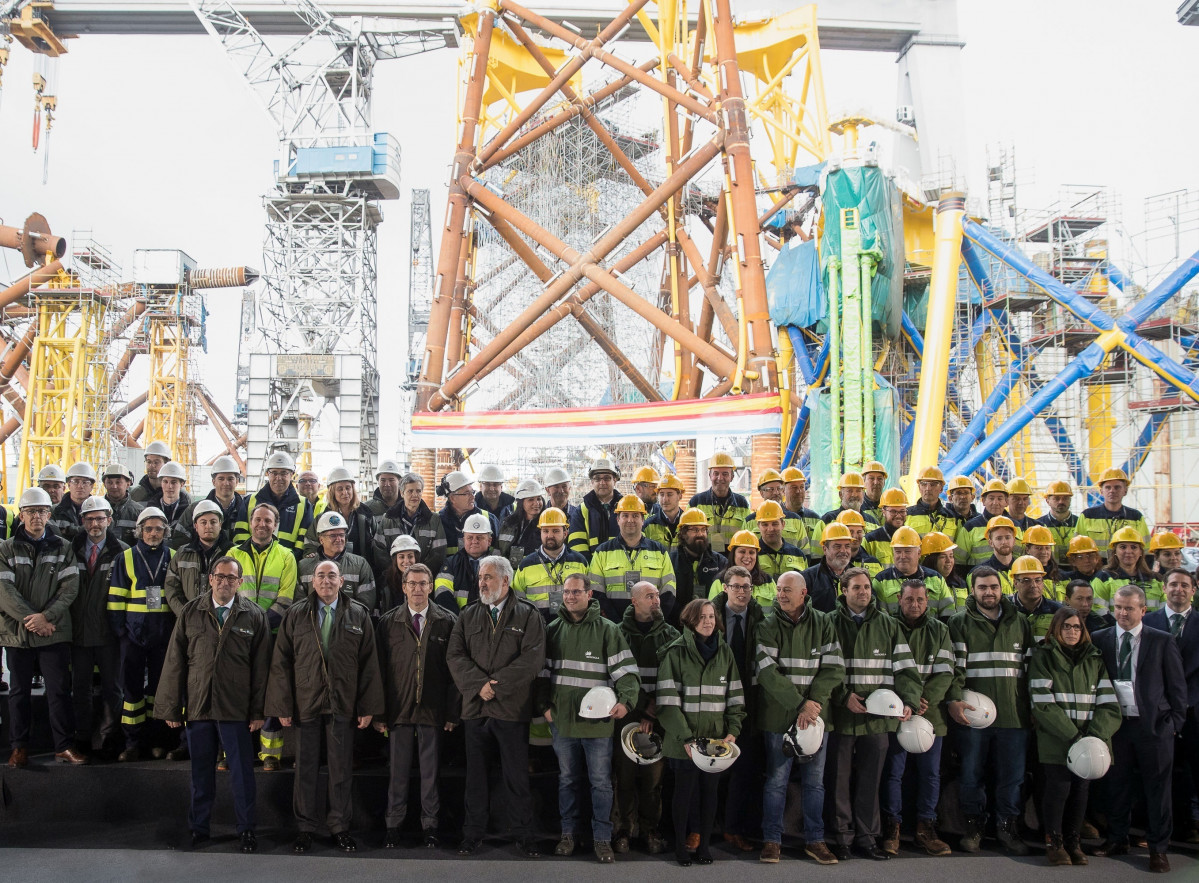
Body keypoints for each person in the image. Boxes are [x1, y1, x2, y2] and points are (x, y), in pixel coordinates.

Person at [266, 559, 385, 854]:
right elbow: (281, 663)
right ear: (312, 581)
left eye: (332, 575)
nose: (326, 581)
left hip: (343, 702)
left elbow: (369, 665)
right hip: (306, 702)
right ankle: (305, 829)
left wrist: (368, 706)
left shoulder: (359, 614)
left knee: (340, 769)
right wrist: (283, 706)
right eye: (321, 575)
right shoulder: (295, 614)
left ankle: (339, 827)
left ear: (341, 581)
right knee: (305, 768)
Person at [155, 556, 271, 853]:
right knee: (201, 773)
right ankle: (199, 828)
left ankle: (246, 829)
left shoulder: (254, 615)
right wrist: (171, 707)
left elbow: (262, 669)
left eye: (231, 578)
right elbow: (175, 661)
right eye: (220, 576)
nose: (224, 582)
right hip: (199, 705)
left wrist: (258, 711)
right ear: (210, 579)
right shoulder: (190, 612)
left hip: (236, 708)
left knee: (242, 774)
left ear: (240, 582)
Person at [446, 555, 546, 858]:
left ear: (505, 580)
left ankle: (524, 835)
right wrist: (480, 685)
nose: (482, 583)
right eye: (480, 577)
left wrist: (496, 687)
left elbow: (532, 659)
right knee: (475, 778)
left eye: (488, 577)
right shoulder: (468, 614)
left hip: (511, 710)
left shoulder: (528, 614)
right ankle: (472, 834)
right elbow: (454, 655)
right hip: (475, 709)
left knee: (516, 778)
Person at [537, 572, 639, 863]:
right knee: (567, 781)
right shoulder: (553, 629)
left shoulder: (608, 630)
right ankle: (568, 835)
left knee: (601, 784)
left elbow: (627, 673)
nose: (570, 597)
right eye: (566, 592)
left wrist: (626, 702)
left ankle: (602, 839)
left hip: (598, 725)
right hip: (563, 723)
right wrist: (544, 707)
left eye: (576, 592)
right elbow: (541, 673)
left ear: (589, 594)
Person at [825, 568, 921, 861]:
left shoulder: (888, 625)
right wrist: (843, 696)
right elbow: (822, 668)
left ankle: (867, 839)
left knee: (871, 781)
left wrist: (909, 701)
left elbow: (905, 668)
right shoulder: (828, 622)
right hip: (842, 716)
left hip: (877, 719)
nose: (863, 592)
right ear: (844, 591)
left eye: (866, 587)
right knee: (838, 781)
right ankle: (841, 838)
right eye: (856, 587)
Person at [1092, 584, 1187, 873]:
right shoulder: (1100, 638)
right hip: (1116, 726)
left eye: (1129, 608)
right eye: (1119, 607)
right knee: (1116, 785)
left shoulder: (1161, 640)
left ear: (1143, 610)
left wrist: (1174, 724)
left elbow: (1177, 687)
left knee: (1157, 790)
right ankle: (1117, 839)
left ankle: (1158, 849)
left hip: (1154, 728)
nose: (1122, 613)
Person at [755, 570, 843, 865]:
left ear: (803, 593)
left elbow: (834, 668)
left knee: (815, 783)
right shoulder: (766, 625)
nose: (781, 594)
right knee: (776, 782)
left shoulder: (824, 623)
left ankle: (815, 840)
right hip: (779, 718)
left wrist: (813, 703)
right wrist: (800, 704)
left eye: (787, 590)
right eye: (779, 589)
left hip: (815, 718)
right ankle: (771, 840)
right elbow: (766, 672)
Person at [946, 566, 1035, 855]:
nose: (989, 592)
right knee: (972, 774)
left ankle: (1008, 828)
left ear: (1002, 588)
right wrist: (953, 700)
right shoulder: (959, 622)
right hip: (973, 716)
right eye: (982, 587)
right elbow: (955, 669)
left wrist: (1032, 707)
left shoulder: (1021, 622)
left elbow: (1031, 670)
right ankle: (973, 827)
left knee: (1013, 777)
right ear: (972, 591)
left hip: (1014, 715)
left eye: (994, 587)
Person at [375, 563, 460, 850]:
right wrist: (380, 712)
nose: (418, 589)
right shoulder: (388, 622)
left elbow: (455, 673)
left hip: (433, 709)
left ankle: (430, 827)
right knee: (397, 773)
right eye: (412, 583)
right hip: (398, 708)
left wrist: (452, 712)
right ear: (403, 587)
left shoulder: (447, 621)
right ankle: (393, 826)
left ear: (431, 587)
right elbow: (380, 671)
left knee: (430, 774)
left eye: (423, 583)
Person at [655, 598, 746, 866]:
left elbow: (735, 696)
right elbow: (667, 702)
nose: (708, 621)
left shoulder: (725, 652)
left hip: (715, 740)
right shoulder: (675, 652)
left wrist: (733, 730)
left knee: (710, 794)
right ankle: (680, 848)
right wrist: (686, 737)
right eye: (702, 617)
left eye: (711, 616)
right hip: (683, 741)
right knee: (683, 795)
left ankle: (704, 846)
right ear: (690, 620)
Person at [1029, 606, 1121, 866]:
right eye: (1066, 626)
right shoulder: (1043, 656)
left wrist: (1094, 737)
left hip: (1090, 741)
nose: (1072, 631)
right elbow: (1042, 702)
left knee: (1081, 791)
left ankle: (1073, 841)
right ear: (1056, 629)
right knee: (1058, 789)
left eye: (1077, 627)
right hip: (1058, 738)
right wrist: (1074, 737)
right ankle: (1054, 842)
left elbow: (1109, 704)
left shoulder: (1095, 658)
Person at [1, 487, 86, 768]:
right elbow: (4, 591)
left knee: (59, 691)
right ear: (21, 515)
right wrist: (34, 619)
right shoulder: (6, 549)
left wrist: (46, 616)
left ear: (49, 515)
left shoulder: (63, 547)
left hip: (53, 630)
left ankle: (63, 746)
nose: (36, 516)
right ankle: (19, 748)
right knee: (18, 693)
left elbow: (70, 588)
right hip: (20, 633)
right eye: (30, 511)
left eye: (41, 511)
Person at [881, 580, 954, 857]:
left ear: (927, 601)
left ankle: (926, 828)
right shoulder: (888, 626)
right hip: (896, 711)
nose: (915, 605)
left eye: (920, 600)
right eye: (909, 599)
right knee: (894, 773)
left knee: (930, 774)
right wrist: (905, 700)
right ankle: (892, 827)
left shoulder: (940, 630)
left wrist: (924, 700)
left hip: (930, 713)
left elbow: (945, 671)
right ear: (899, 599)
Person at [228, 502, 299, 770]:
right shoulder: (233, 553)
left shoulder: (286, 556)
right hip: (238, 635)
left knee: (271, 691)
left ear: (275, 525)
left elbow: (286, 599)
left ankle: (270, 755)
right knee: (237, 691)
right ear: (250, 523)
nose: (262, 524)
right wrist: (245, 627)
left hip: (273, 635)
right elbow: (228, 593)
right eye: (258, 519)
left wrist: (260, 627)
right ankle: (233, 752)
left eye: (268, 521)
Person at [613, 581, 678, 856]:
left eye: (658, 596)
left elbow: (676, 677)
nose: (656, 601)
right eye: (650, 596)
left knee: (653, 780)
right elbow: (614, 676)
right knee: (624, 779)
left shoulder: (672, 634)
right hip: (626, 716)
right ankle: (623, 831)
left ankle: (650, 830)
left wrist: (655, 710)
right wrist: (642, 708)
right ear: (634, 601)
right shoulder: (616, 633)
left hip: (659, 717)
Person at [108, 506, 176, 762]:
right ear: (139, 531)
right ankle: (133, 743)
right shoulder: (125, 558)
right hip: (132, 636)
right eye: (148, 529)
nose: (153, 533)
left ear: (165, 531)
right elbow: (115, 598)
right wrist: (122, 634)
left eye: (159, 529)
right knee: (131, 692)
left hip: (163, 634)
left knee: (159, 690)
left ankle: (157, 741)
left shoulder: (174, 556)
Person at [711, 565, 765, 851]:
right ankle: (701, 830)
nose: (742, 592)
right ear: (725, 588)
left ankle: (733, 829)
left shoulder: (760, 617)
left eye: (746, 587)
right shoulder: (709, 615)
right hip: (712, 703)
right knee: (709, 769)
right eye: (736, 586)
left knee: (743, 771)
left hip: (748, 705)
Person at [70, 496, 127, 758]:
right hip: (79, 632)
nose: (95, 524)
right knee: (80, 688)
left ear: (109, 520)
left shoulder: (122, 552)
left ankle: (108, 739)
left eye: (100, 518)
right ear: (83, 521)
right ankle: (82, 738)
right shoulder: (71, 550)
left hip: (109, 634)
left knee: (113, 689)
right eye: (90, 519)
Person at [1145, 569, 1199, 842]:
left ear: (1194, 590)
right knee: (1158, 773)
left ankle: (1192, 823)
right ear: (1164, 588)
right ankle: (1158, 827)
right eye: (1174, 584)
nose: (1179, 589)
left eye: (1185, 585)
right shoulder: (1147, 622)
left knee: (1194, 770)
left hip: (1195, 710)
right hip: (1157, 710)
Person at [587, 494, 675, 621]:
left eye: (635, 516)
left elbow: (669, 590)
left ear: (643, 520)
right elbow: (596, 591)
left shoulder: (659, 551)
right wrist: (615, 623)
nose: (630, 520)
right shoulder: (602, 552)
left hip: (651, 624)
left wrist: (656, 620)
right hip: (613, 625)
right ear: (618, 520)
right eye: (625, 515)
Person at [511, 507, 588, 622]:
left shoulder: (580, 562)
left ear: (565, 533)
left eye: (555, 531)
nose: (550, 535)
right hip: (536, 626)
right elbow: (517, 601)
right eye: (545, 531)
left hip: (572, 625)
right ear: (540, 533)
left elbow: (589, 597)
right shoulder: (525, 565)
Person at [236, 451, 313, 560]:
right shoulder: (249, 501)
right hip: (253, 562)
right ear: (268, 474)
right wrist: (252, 559)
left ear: (291, 474)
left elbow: (304, 539)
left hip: (288, 563)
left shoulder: (304, 505)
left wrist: (289, 560)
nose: (278, 477)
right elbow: (240, 535)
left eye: (284, 473)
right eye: (274, 473)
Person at [374, 471, 447, 579]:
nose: (415, 495)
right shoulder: (388, 519)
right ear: (402, 493)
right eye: (410, 491)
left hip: (423, 581)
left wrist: (419, 575)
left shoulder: (434, 520)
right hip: (394, 580)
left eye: (418, 491)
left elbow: (438, 554)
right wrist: (395, 574)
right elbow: (379, 552)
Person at [298, 511, 376, 612]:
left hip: (350, 621)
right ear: (321, 540)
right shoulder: (304, 567)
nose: (339, 539)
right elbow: (299, 604)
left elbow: (366, 603)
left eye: (341, 535)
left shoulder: (360, 565)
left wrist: (342, 619)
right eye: (333, 535)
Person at [165, 500, 232, 616]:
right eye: (203, 522)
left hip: (222, 619)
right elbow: (171, 587)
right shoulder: (182, 553)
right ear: (196, 526)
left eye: (213, 522)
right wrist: (185, 614)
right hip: (188, 619)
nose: (208, 526)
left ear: (220, 525)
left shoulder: (232, 553)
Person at [872, 526, 952, 618]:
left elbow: (948, 612)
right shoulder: (881, 581)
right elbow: (880, 619)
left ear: (919, 553)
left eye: (907, 551)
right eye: (898, 552)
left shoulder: (936, 578)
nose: (902, 556)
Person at [171, 456, 245, 551]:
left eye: (230, 479)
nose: (226, 483)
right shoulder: (194, 509)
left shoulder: (246, 510)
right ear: (213, 482)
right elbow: (179, 540)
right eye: (221, 479)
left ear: (237, 481)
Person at [1074, 467, 1150, 559]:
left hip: (1126, 566)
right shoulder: (1087, 516)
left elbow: (1146, 550)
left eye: (1117, 487)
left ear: (1125, 491)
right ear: (1101, 491)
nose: (1112, 491)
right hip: (1096, 567)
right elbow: (1077, 548)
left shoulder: (1136, 517)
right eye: (1108, 487)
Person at [667, 508, 724, 624]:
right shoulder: (670, 561)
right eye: (695, 530)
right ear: (683, 533)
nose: (700, 534)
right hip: (679, 624)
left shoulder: (720, 562)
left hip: (711, 624)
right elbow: (667, 597)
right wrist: (685, 618)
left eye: (703, 530)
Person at [688, 452, 751, 555]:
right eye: (716, 473)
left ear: (732, 477)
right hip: (704, 560)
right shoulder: (696, 502)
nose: (720, 478)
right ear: (710, 475)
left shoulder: (742, 503)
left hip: (733, 560)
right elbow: (686, 535)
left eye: (725, 474)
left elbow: (748, 535)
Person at [307, 466, 375, 559]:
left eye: (348, 488)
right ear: (332, 492)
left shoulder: (366, 514)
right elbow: (310, 542)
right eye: (340, 489)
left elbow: (377, 543)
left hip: (361, 566)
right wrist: (311, 553)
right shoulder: (322, 518)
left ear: (353, 489)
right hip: (331, 565)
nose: (345, 492)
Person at [434, 513, 499, 611]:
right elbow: (441, 592)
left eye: (479, 537)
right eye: (470, 537)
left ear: (489, 541)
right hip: (456, 618)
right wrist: (459, 617)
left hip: (489, 619)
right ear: (464, 540)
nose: (474, 541)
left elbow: (503, 595)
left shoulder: (499, 566)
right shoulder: (450, 564)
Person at [1097, 527, 1163, 615]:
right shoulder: (1103, 578)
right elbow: (1098, 610)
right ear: (1115, 551)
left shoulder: (1157, 580)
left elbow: (1165, 611)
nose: (1128, 551)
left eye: (1133, 547)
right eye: (1123, 547)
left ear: (1141, 552)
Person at [439, 470, 500, 560]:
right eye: (467, 493)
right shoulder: (438, 521)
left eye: (472, 492)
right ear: (452, 498)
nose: (472, 497)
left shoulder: (489, 519)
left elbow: (498, 553)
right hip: (447, 569)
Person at [568, 458, 621, 559]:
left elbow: (635, 540)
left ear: (614, 480)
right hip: (591, 567)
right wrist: (594, 567)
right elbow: (577, 547)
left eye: (607, 478)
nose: (602, 482)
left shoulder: (626, 507)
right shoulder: (581, 511)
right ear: (592, 481)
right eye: (597, 479)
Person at [954, 478, 1010, 571]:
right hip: (978, 578)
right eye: (991, 498)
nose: (995, 502)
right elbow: (958, 561)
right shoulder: (970, 527)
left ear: (1006, 502)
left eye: (1000, 498)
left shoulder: (1016, 527)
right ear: (983, 501)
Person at [709, 531, 776, 606]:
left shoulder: (768, 581)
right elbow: (712, 611)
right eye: (742, 552)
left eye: (751, 552)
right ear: (733, 554)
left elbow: (777, 609)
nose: (747, 556)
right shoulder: (720, 582)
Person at [801, 522, 855, 612]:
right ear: (825, 549)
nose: (843, 550)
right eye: (837, 546)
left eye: (847, 546)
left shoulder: (859, 577)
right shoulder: (808, 578)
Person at [750, 501, 807, 583]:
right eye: (765, 524)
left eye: (775, 524)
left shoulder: (798, 554)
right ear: (758, 526)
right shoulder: (752, 555)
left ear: (783, 524)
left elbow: (804, 584)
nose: (770, 529)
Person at [752, 469, 807, 551]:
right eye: (771, 489)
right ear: (761, 493)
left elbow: (805, 552)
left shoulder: (795, 519)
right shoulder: (750, 520)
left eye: (779, 488)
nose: (776, 493)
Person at [1010, 555, 1063, 639]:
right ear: (1015, 583)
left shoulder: (1058, 611)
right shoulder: (1004, 608)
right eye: (1026, 580)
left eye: (1037, 580)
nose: (1033, 585)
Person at [497, 479, 545, 568]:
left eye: (539, 498)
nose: (536, 503)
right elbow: (498, 550)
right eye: (531, 499)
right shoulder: (508, 524)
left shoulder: (546, 524)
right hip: (508, 573)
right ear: (521, 502)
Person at [905, 467, 963, 538]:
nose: (928, 488)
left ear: (941, 488)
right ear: (919, 488)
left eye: (933, 484)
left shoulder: (953, 518)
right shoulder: (906, 515)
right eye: (924, 484)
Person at [50, 461, 98, 542]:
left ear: (92, 486)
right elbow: (54, 537)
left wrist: (68, 531)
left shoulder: (99, 511)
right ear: (69, 484)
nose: (80, 486)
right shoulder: (54, 511)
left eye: (85, 482)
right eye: (75, 481)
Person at [782, 467, 822, 560]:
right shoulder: (777, 519)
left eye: (802, 487)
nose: (798, 491)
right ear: (783, 491)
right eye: (794, 487)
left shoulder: (815, 518)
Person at [102, 462, 145, 546]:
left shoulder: (139, 512)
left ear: (128, 483)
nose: (114, 486)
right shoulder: (97, 510)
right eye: (110, 482)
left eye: (118, 482)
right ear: (104, 484)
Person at [863, 488, 909, 568]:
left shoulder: (914, 539)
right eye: (893, 511)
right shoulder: (870, 540)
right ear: (883, 512)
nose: (898, 516)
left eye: (902, 511)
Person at [920, 531, 965, 612]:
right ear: (931, 560)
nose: (949, 561)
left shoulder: (960, 584)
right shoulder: (920, 585)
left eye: (951, 556)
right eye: (943, 557)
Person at [1038, 480, 1078, 567]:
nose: (1061, 502)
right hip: (1049, 571)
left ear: (1070, 500)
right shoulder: (1039, 525)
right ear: (1047, 501)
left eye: (1065, 498)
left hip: (1076, 571)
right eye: (1056, 498)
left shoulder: (1079, 523)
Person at [1022, 525, 1069, 600]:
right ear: (1027, 549)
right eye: (1039, 548)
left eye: (1047, 548)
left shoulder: (1063, 576)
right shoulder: (1021, 576)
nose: (1044, 552)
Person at [643, 473, 686, 550]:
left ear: (680, 496)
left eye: (669, 494)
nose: (665, 499)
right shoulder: (648, 525)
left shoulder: (688, 524)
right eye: (662, 494)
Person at [380, 534, 421, 614]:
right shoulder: (386, 582)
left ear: (416, 558)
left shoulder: (425, 580)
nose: (406, 561)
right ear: (395, 560)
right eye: (401, 557)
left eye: (410, 556)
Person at [153, 462, 192, 531]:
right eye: (165, 482)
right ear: (161, 483)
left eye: (173, 482)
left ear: (182, 484)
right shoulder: (151, 508)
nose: (169, 486)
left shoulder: (189, 512)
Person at [860, 461, 888, 526]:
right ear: (863, 482)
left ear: (884, 483)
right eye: (871, 478)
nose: (876, 482)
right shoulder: (858, 507)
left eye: (880, 479)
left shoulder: (890, 506)